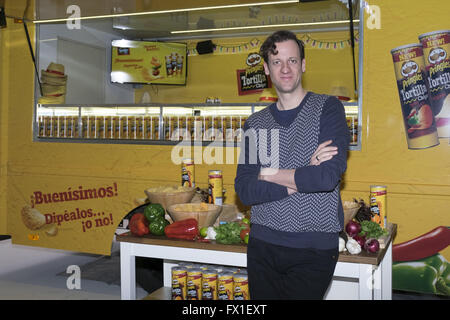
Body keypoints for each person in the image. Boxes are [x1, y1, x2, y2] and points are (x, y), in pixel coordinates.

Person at [234, 30, 350, 300]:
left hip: (313, 248)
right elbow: (246, 191)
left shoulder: (328, 109)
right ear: (266, 69)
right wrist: (300, 178)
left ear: (303, 64)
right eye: (277, 62)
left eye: (292, 61)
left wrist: (267, 173)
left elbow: (325, 178)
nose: (285, 68)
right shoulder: (255, 124)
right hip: (262, 245)